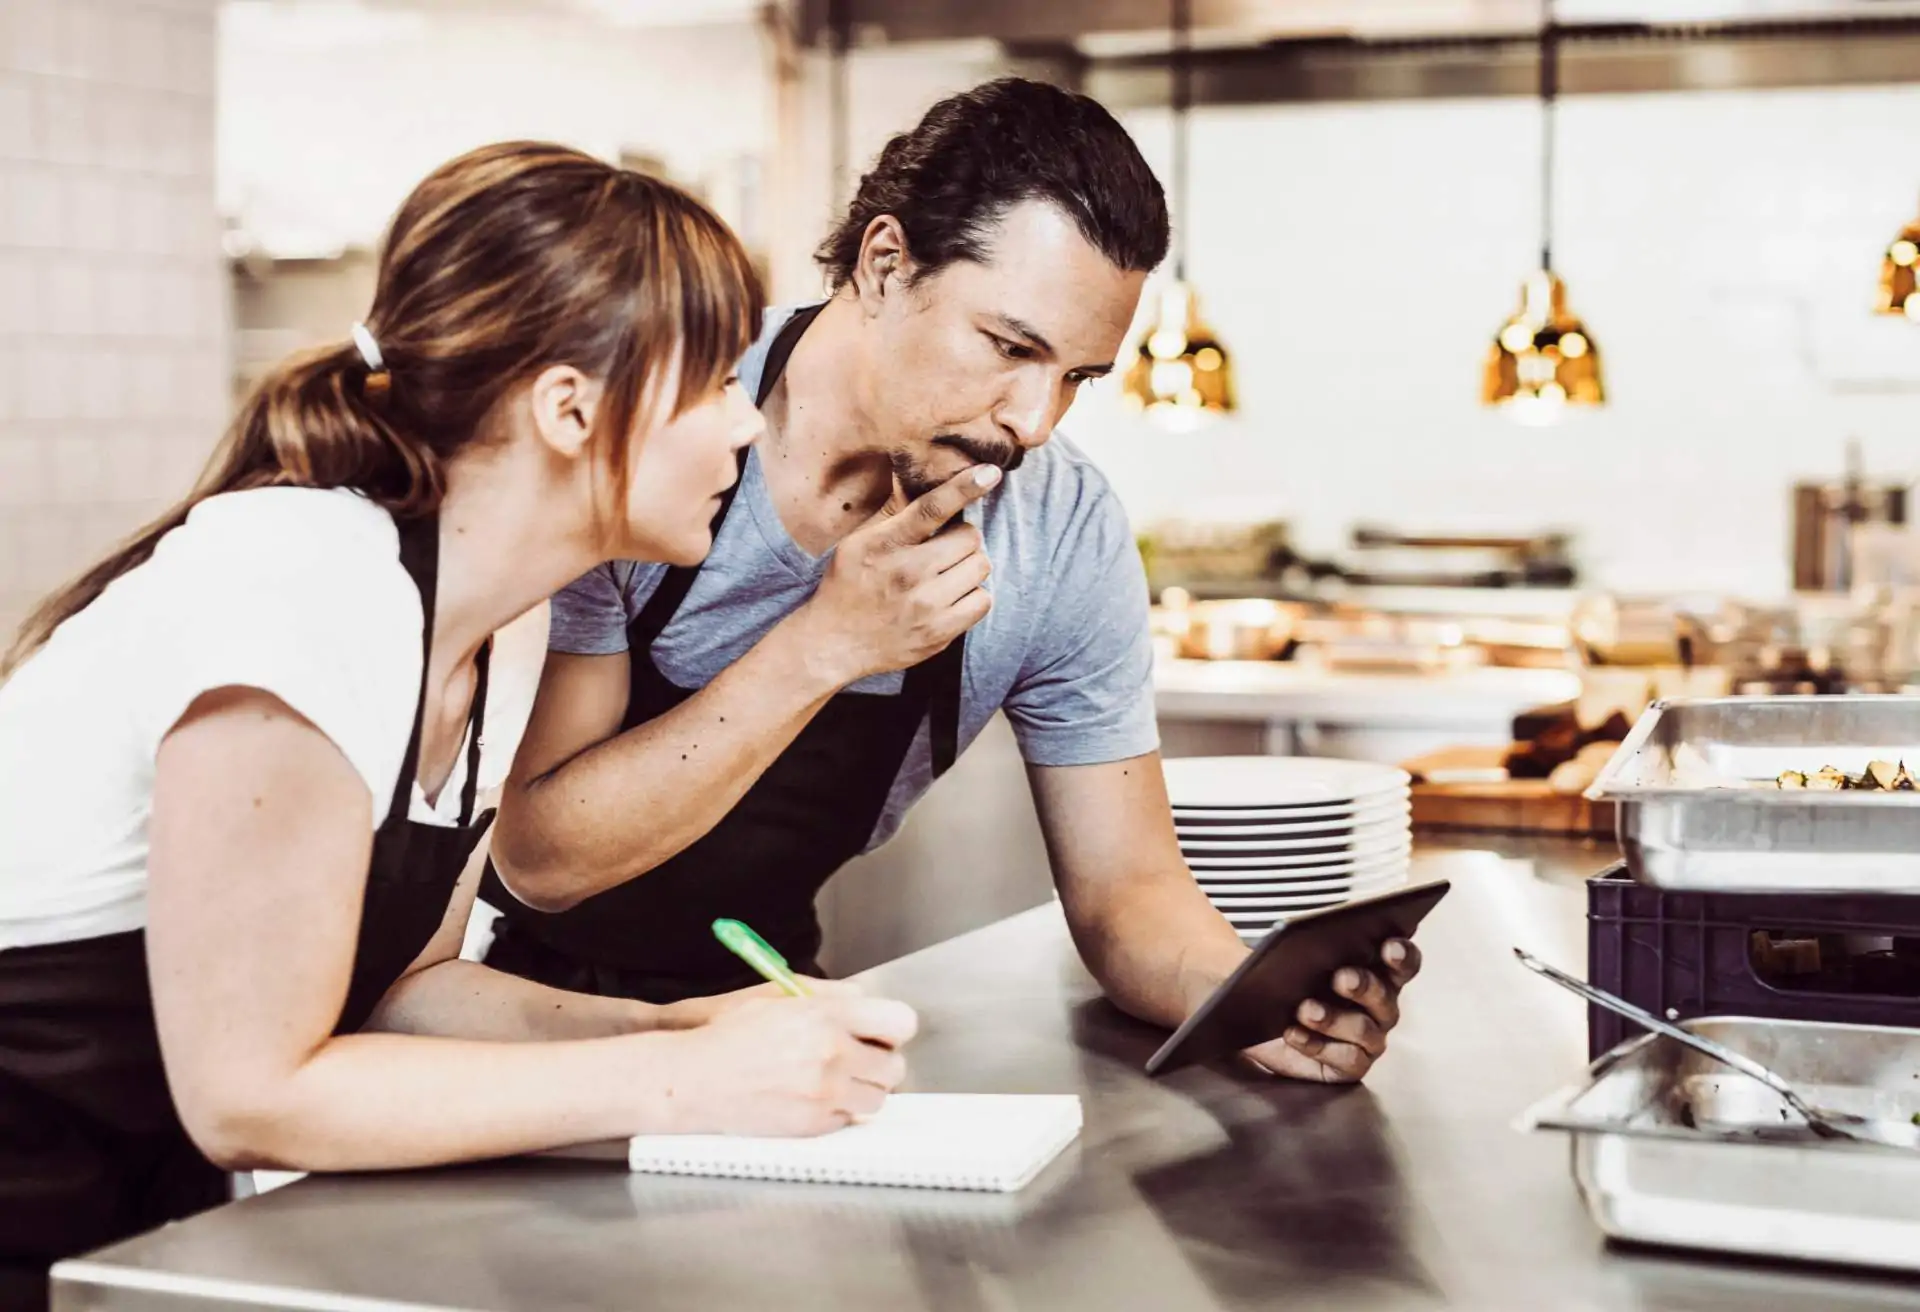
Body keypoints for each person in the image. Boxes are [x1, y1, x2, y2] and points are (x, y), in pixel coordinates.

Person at [0, 143, 916, 1309]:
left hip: (117, 1224)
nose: (743, 427)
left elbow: (408, 987)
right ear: (570, 408)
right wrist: (679, 1077)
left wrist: (675, 1019)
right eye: (708, 389)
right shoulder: (304, 586)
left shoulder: (503, 626)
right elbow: (248, 1095)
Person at [485, 80, 1422, 1085]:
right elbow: (539, 861)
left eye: (1076, 377)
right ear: (885, 264)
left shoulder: (1060, 532)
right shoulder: (669, 420)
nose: (1034, 420)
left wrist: (1245, 996)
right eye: (1010, 347)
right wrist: (829, 643)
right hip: (515, 1024)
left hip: (778, 1032)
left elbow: (1127, 888)